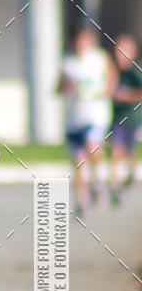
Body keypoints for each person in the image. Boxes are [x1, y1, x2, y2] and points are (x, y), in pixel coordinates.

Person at [58, 26, 115, 215]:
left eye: (85, 40)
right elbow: (58, 88)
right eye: (78, 41)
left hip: (95, 115)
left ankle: (98, 183)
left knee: (93, 146)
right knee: (78, 161)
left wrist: (107, 90)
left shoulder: (99, 58)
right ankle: (82, 202)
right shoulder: (68, 63)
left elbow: (112, 77)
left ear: (90, 41)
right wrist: (68, 86)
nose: (81, 44)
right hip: (74, 118)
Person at [109, 33, 142, 199]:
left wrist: (125, 96)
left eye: (124, 50)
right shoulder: (114, 70)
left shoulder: (135, 70)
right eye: (118, 50)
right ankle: (115, 185)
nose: (119, 53)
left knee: (129, 150)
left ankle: (131, 170)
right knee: (116, 148)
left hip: (133, 117)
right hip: (117, 117)